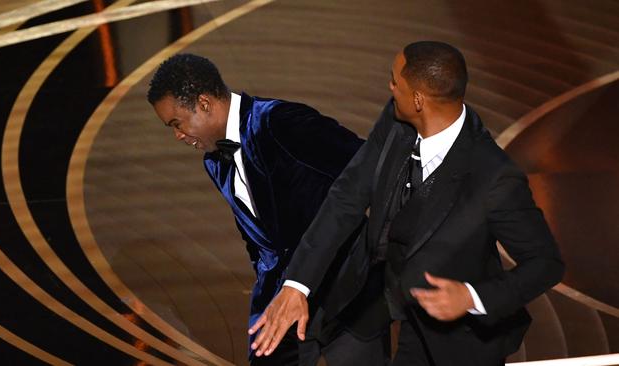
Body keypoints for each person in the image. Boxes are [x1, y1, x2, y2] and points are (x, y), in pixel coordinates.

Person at [249, 41, 565, 366]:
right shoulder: (397, 118)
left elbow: (546, 263)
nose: (389, 87)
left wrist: (472, 297)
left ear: (418, 100)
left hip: (452, 334)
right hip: (376, 291)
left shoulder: (493, 177)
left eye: (394, 82)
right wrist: (297, 286)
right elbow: (346, 197)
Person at [146, 53, 367, 365]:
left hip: (346, 292)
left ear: (205, 103)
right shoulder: (214, 163)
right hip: (277, 301)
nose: (177, 135)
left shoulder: (280, 122)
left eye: (177, 123)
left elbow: (366, 166)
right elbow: (257, 239)